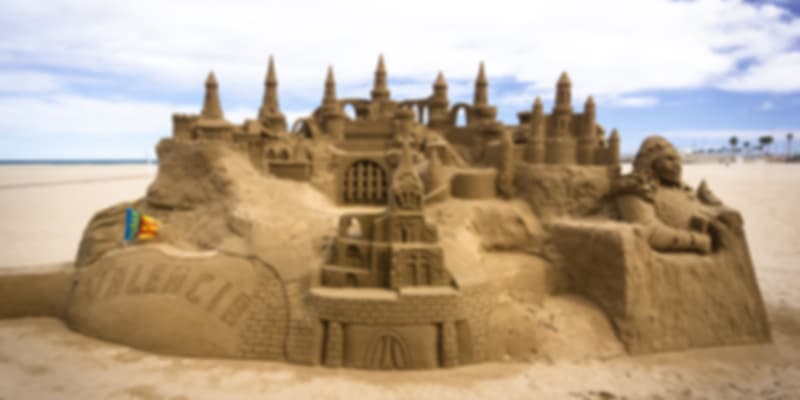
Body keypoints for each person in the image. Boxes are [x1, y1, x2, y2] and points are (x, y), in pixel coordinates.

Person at [614, 135, 742, 254]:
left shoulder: (674, 186)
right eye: (669, 159)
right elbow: (650, 232)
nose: (678, 165)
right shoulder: (635, 188)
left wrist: (715, 206)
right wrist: (696, 240)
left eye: (678, 160)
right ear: (650, 162)